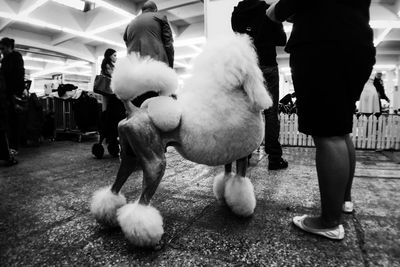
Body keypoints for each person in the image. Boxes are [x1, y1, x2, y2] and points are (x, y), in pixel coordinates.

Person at [267, 0, 375, 239]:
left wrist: (280, 9)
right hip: (359, 44)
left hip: (322, 47)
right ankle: (344, 201)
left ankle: (329, 221)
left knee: (328, 133)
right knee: (341, 129)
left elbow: (278, 11)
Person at [232, 0, 289, 170]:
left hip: (248, 66)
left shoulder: (239, 11)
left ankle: (244, 154)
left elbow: (237, 33)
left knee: (246, 111)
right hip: (268, 65)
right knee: (271, 112)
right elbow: (282, 39)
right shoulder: (268, 10)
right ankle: (274, 158)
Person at [123, 1, 174, 69]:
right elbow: (168, 44)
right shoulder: (161, 17)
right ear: (155, 10)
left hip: (134, 68)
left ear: (142, 11)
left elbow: (127, 42)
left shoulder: (130, 24)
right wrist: (170, 66)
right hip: (156, 64)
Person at [0, 37, 25, 157]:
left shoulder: (15, 57)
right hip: (7, 95)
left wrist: (16, 95)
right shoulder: (5, 59)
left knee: (13, 122)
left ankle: (14, 147)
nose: (1, 51)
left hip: (13, 95)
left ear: (9, 47)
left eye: (3, 48)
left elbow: (18, 77)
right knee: (8, 122)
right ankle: (9, 147)